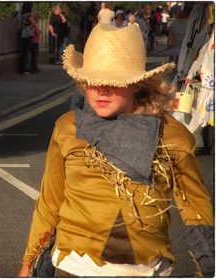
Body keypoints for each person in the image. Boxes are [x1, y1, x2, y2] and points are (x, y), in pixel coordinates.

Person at [18, 24, 214, 277]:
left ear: (137, 84)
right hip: (74, 267)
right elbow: (50, 202)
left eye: (114, 81)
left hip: (147, 270)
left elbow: (195, 205)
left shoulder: (172, 134)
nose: (102, 89)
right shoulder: (68, 128)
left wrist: (209, 267)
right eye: (93, 80)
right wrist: (29, 264)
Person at [18, 2, 37, 74]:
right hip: (28, 34)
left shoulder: (22, 14)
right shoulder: (28, 15)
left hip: (23, 33)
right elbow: (34, 23)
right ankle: (23, 70)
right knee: (26, 52)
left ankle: (31, 68)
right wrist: (33, 24)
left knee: (30, 51)